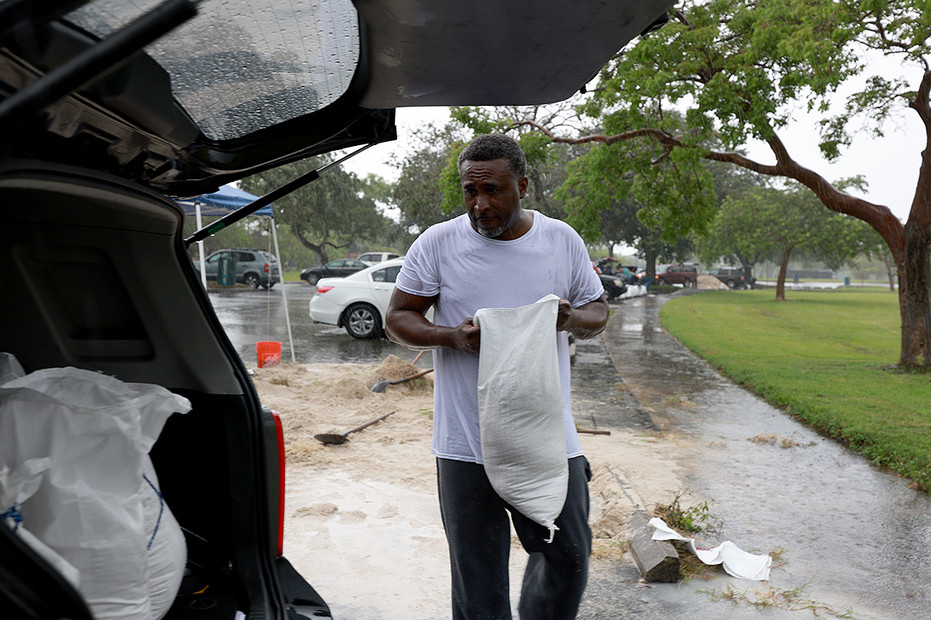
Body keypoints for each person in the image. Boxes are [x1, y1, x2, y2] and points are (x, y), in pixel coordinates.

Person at [385, 133, 609, 619]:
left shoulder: (560, 240)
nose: (480, 205)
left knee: (568, 556)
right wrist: (452, 337)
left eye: (493, 191)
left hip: (549, 438)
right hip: (466, 444)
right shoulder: (438, 244)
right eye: (471, 191)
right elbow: (398, 317)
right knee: (478, 583)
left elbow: (598, 311)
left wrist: (568, 319)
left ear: (522, 185)